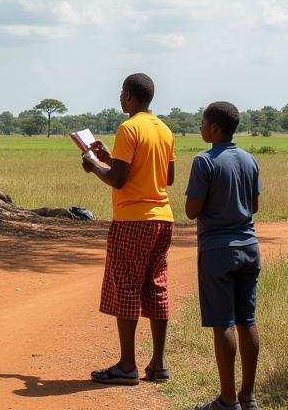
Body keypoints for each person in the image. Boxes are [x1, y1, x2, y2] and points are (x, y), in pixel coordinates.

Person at [82, 72, 176, 386]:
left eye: (122, 93)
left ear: (130, 96)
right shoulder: (163, 129)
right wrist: (110, 157)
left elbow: (118, 180)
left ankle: (126, 365)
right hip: (162, 217)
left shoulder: (129, 127)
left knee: (125, 284)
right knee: (156, 284)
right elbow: (168, 176)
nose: (120, 98)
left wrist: (93, 164)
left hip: (132, 220)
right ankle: (159, 363)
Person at [185, 102, 263, 410]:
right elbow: (254, 207)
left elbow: (191, 210)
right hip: (249, 248)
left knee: (224, 324)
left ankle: (227, 401)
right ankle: (249, 397)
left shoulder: (204, 161)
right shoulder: (249, 159)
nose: (200, 127)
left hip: (218, 250)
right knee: (248, 321)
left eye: (203, 123)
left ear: (215, 128)